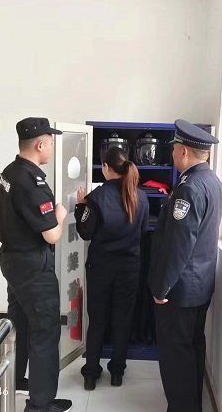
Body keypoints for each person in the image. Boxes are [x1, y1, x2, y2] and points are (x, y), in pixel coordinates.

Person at [0, 117, 72, 412]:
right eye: (51, 142)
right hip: (32, 267)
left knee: (20, 323)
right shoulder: (33, 184)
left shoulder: (10, 171)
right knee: (45, 330)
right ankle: (40, 404)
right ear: (40, 145)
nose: (52, 147)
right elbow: (51, 235)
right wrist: (60, 215)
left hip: (12, 260)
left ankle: (16, 380)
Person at [148, 119, 222, 412]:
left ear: (183, 151)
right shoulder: (212, 181)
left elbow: (179, 246)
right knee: (193, 347)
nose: (172, 154)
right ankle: (191, 404)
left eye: (174, 149)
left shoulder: (189, 189)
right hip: (200, 285)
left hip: (179, 291)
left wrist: (162, 288)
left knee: (175, 355)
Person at [74, 147, 149, 390]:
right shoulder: (141, 197)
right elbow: (143, 232)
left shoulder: (96, 197)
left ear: (106, 168)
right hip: (129, 269)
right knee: (122, 321)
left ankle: (90, 375)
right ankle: (117, 373)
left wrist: (80, 206)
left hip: (100, 269)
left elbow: (85, 233)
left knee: (97, 321)